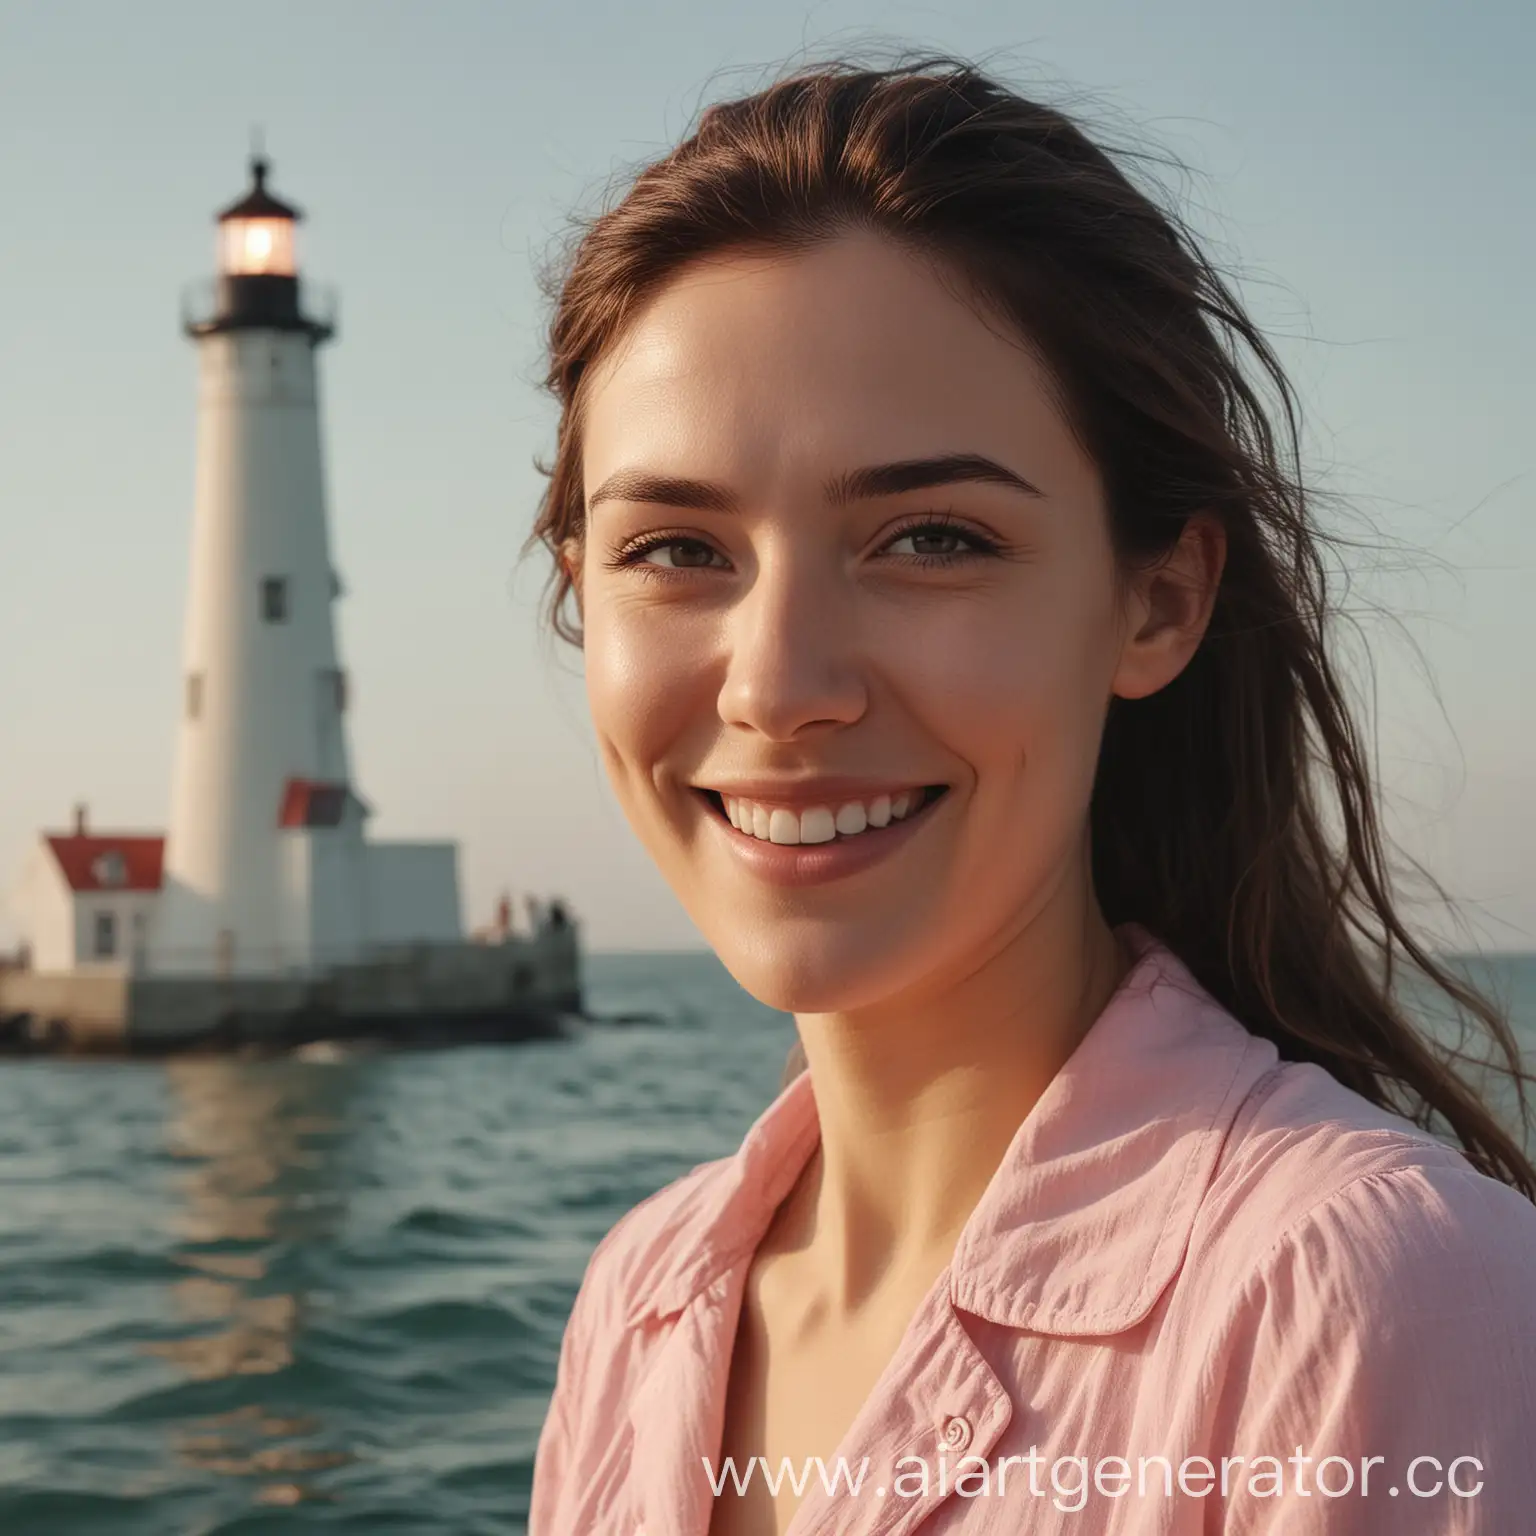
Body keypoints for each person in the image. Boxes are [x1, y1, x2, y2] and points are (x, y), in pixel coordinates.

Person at [525, 58, 1536, 1534]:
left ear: (1158, 602)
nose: (778, 682)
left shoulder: (1362, 1293)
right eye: (678, 549)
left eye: (932, 538)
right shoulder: (642, 1301)